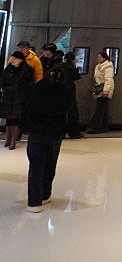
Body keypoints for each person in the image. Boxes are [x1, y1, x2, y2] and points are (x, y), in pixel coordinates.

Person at [22, 64, 74, 212]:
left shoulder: (35, 90)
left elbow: (25, 100)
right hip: (55, 133)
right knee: (50, 164)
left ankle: (34, 202)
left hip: (36, 132)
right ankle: (45, 195)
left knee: (36, 167)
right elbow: (68, 109)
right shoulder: (66, 93)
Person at [0, 51, 33, 148]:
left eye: (14, 58)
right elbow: (3, 79)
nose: (12, 60)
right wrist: (2, 87)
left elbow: (29, 84)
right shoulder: (9, 68)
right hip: (8, 95)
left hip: (20, 96)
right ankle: (8, 139)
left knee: (17, 118)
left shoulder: (27, 70)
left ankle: (13, 140)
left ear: (20, 60)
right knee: (9, 118)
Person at [86, 51, 114, 133]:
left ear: (104, 58)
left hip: (104, 91)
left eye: (100, 57)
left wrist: (106, 91)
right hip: (100, 89)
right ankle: (103, 127)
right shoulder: (98, 67)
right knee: (103, 110)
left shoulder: (107, 68)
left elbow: (109, 80)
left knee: (99, 110)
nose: (98, 58)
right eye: (97, 57)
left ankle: (95, 128)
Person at [59, 51, 83, 139]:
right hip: (69, 91)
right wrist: (74, 67)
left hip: (60, 91)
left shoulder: (61, 66)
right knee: (72, 113)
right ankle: (73, 132)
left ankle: (61, 132)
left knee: (61, 113)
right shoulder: (71, 67)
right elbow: (77, 76)